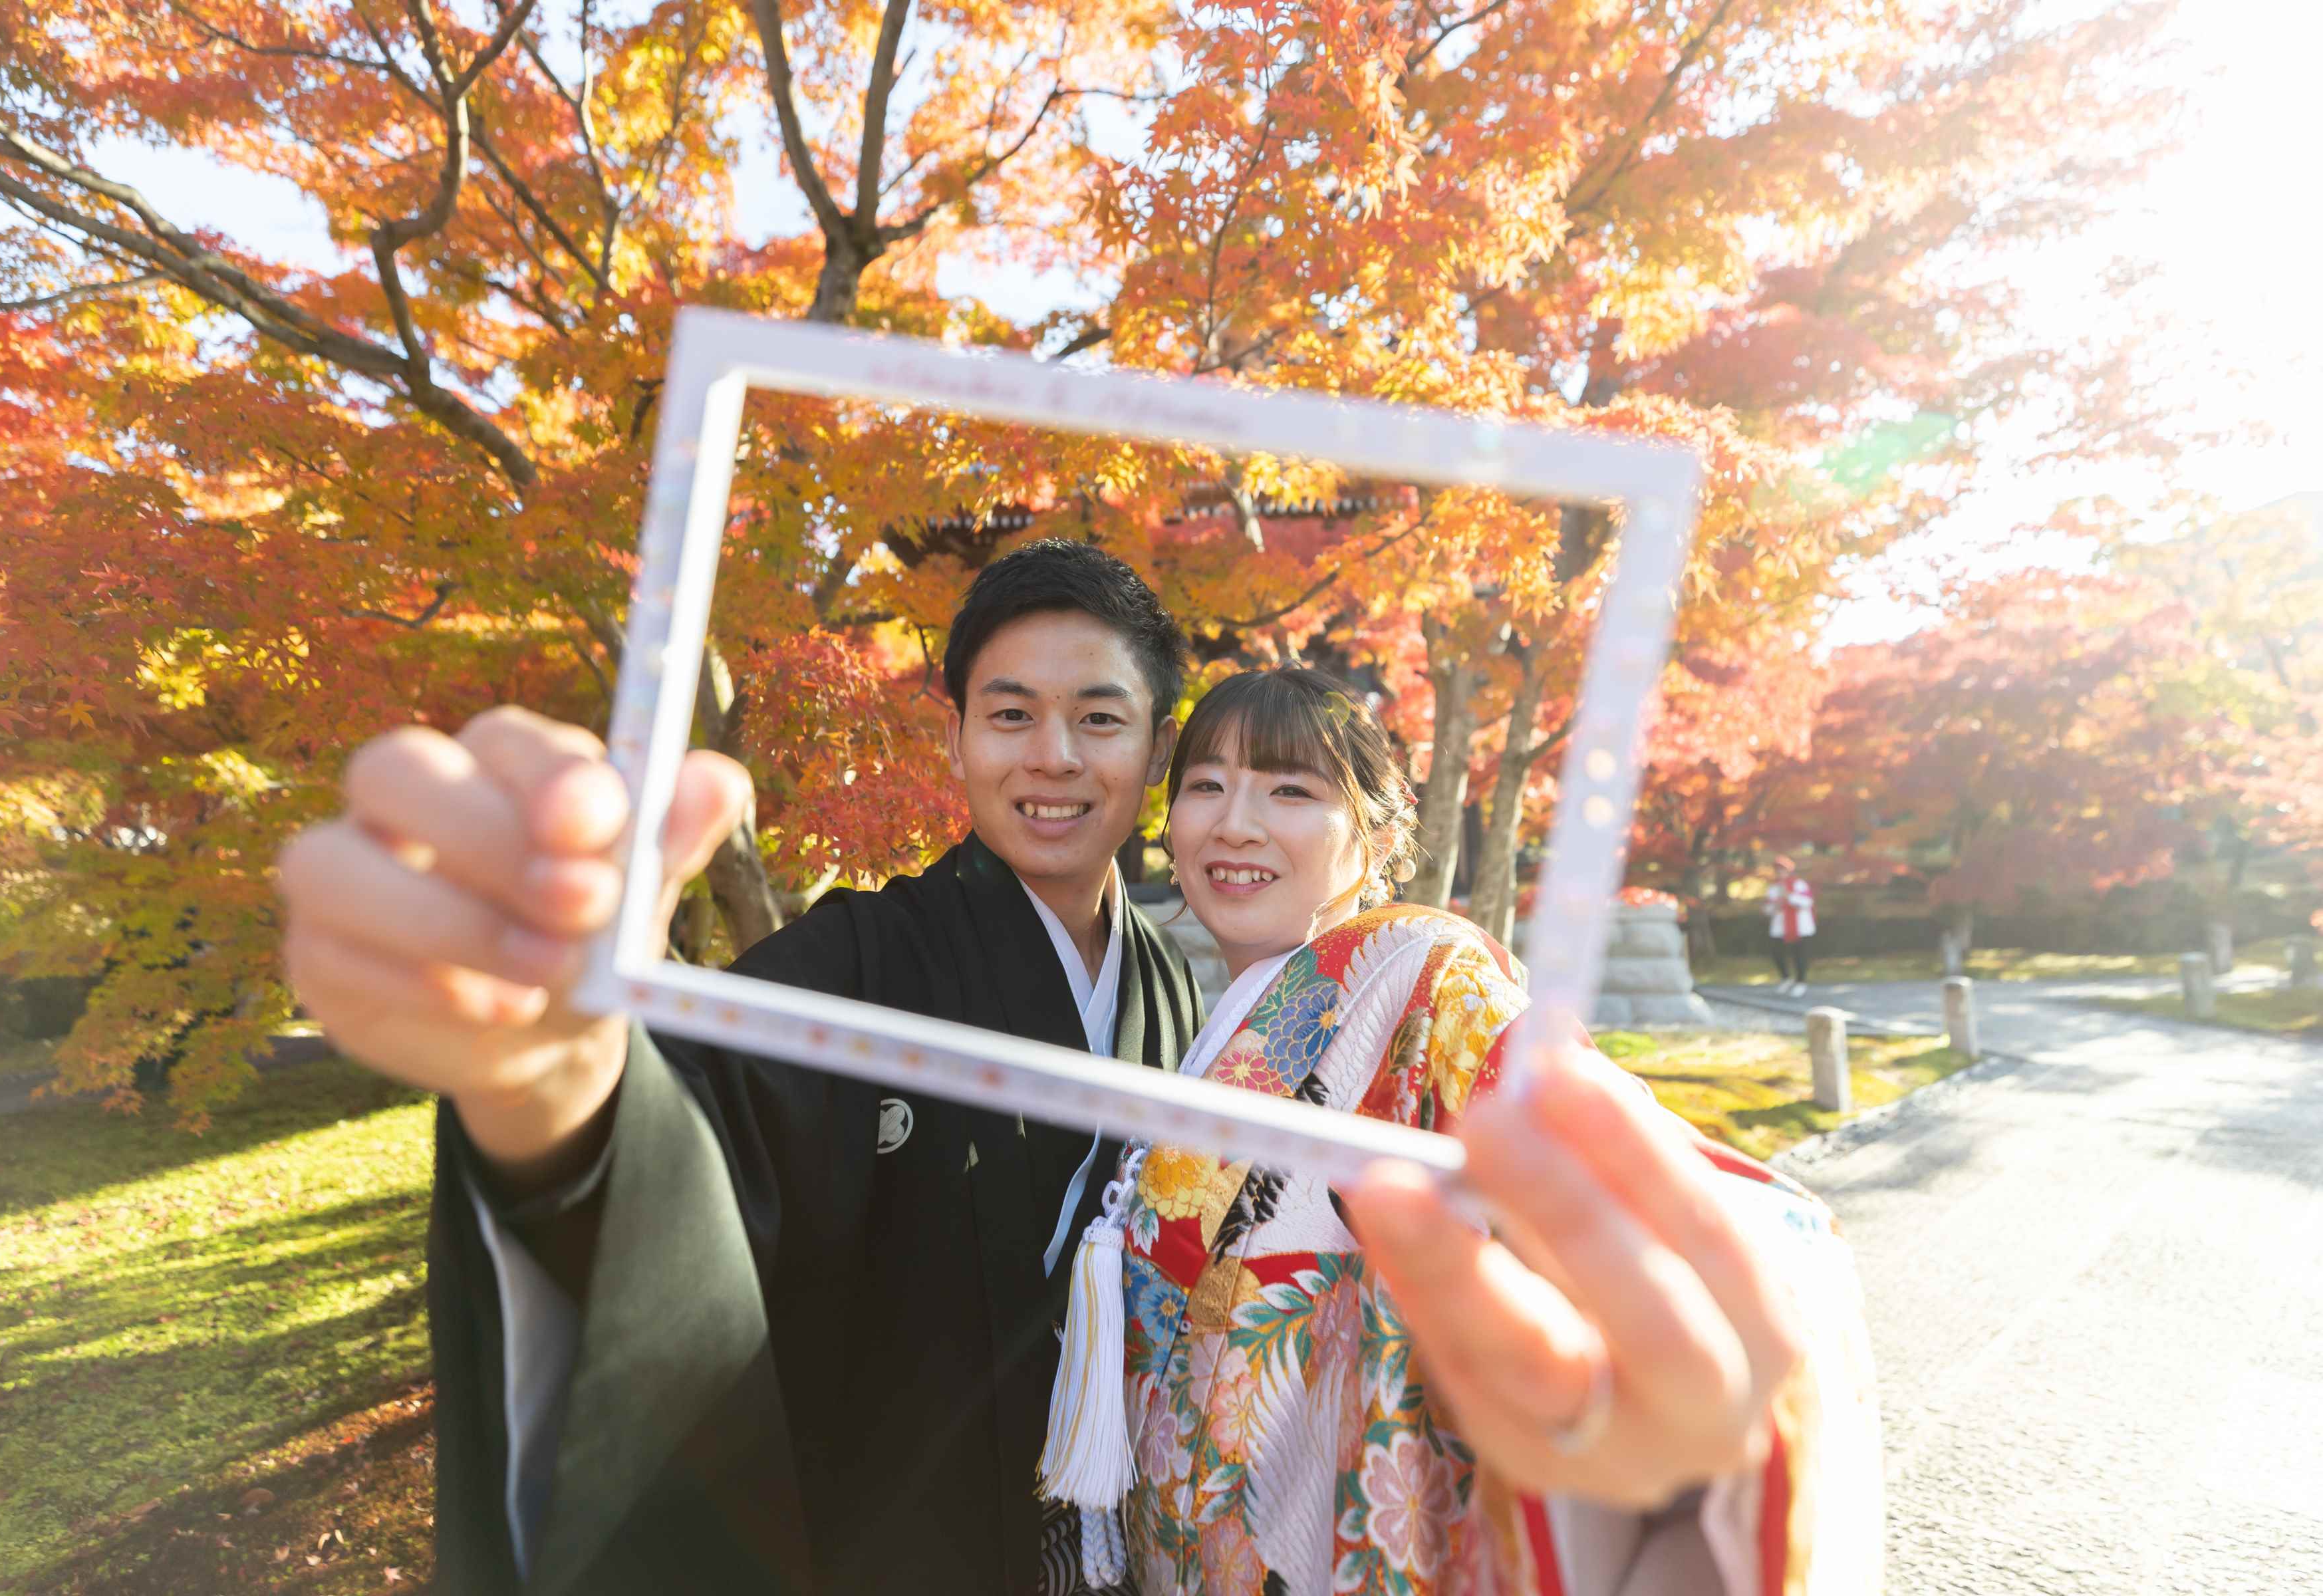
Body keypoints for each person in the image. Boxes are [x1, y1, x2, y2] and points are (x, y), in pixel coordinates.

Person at [280, 543, 1845, 1595]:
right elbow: (673, 1115)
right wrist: (551, 1073)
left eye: (1101, 718)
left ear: (1143, 749)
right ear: (955, 738)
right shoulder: (864, 968)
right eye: (1006, 712)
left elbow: (1559, 1137)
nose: (1052, 756)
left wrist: (1669, 1342)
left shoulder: (1274, 982)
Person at [1039, 671, 1882, 1595]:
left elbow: (1594, 1139)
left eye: (1291, 790)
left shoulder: (1421, 972)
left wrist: (1701, 1291)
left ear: (1375, 837)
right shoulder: (1213, 1023)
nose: (1234, 822)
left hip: (1326, 1540)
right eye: (1206, 785)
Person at [1764, 855, 1816, 996]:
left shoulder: (1799, 884)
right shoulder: (1773, 888)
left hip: (1800, 927)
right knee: (1777, 953)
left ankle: (1801, 982)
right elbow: (1767, 909)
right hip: (1779, 927)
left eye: (1783, 870)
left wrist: (1790, 897)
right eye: (1778, 870)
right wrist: (1775, 906)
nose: (1780, 873)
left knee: (1799, 955)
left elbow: (1808, 902)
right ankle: (1786, 978)